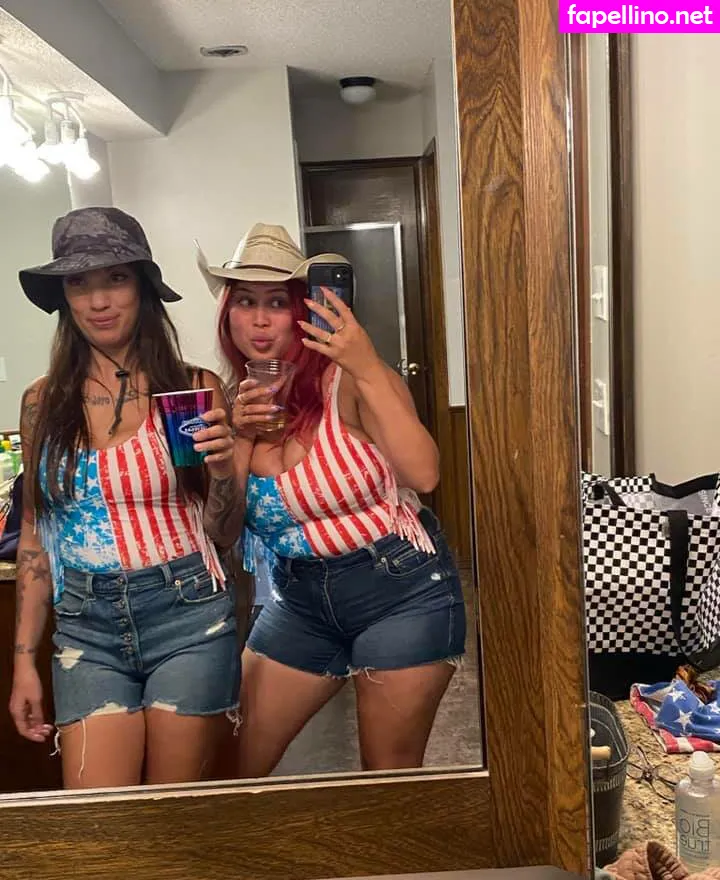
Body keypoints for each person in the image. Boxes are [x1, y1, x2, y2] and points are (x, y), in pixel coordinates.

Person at [198, 223, 466, 774]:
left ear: (303, 310)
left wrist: (364, 363)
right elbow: (221, 533)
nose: (261, 320)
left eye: (278, 302)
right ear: (228, 314)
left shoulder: (351, 383)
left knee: (387, 778)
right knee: (231, 761)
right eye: (245, 301)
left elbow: (425, 474)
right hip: (299, 600)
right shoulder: (228, 404)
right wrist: (240, 438)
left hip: (399, 590)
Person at [10, 207, 244, 790]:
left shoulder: (190, 390)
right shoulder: (42, 403)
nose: (98, 301)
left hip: (188, 613)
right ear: (64, 297)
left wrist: (223, 471)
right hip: (84, 629)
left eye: (115, 278)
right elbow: (37, 534)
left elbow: (223, 532)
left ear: (142, 287)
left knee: (171, 812)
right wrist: (23, 661)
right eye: (79, 283)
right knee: (101, 820)